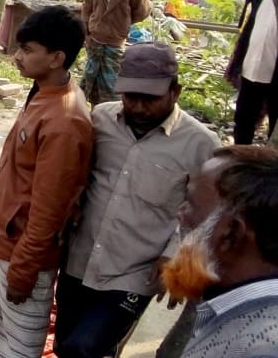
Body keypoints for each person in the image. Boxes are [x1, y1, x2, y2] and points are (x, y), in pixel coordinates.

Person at [54, 42, 220, 358]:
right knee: (66, 344)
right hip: (80, 259)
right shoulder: (101, 119)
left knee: (84, 348)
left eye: (150, 99)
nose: (139, 107)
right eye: (132, 97)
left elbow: (207, 212)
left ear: (176, 92)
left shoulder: (200, 144)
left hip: (134, 272)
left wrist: (177, 255)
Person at [0, 5, 94, 358]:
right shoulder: (43, 94)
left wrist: (24, 269)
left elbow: (48, 209)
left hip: (18, 256)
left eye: (28, 50)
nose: (17, 57)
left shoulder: (65, 121)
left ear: (57, 57)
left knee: (6, 350)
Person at [157, 145, 278, 358]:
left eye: (191, 204)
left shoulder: (260, 348)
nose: (180, 213)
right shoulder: (233, 308)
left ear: (230, 234)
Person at [81, 0, 152, 106]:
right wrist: (87, 33)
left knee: (111, 85)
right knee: (90, 80)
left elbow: (142, 12)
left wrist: (122, 22)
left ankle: (109, 117)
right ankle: (92, 115)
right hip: (95, 40)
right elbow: (87, 8)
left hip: (115, 43)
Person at [227, 0, 278, 144]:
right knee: (244, 120)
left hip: (274, 73)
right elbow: (250, 29)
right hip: (253, 69)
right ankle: (241, 161)